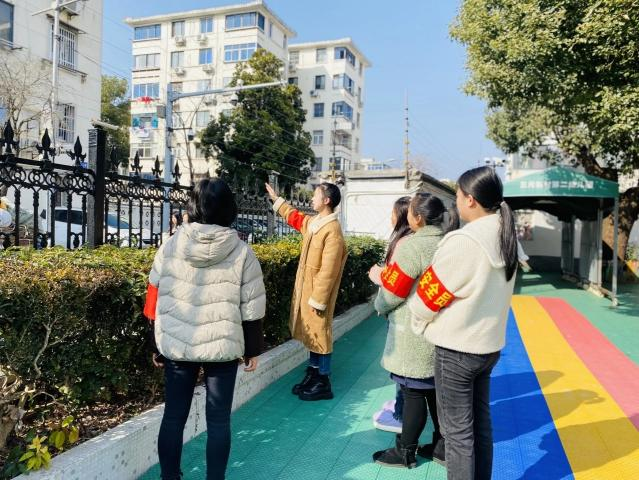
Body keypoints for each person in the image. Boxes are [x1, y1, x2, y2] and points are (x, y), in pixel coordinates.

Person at [145, 178, 266, 480]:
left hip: (177, 344)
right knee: (219, 421)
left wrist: (155, 344)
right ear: (229, 208)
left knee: (173, 417)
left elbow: (153, 297)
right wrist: (252, 349)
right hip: (222, 346)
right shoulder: (242, 252)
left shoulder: (170, 246)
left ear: (193, 206)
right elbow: (252, 306)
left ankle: (169, 477)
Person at [408, 166, 518, 480]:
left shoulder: (464, 241)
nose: (455, 202)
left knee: (456, 435)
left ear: (470, 199)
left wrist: (419, 321)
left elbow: (427, 298)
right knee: (480, 426)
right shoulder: (505, 236)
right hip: (487, 347)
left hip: (456, 350)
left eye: (457, 195)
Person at [372, 193, 457, 468]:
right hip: (442, 328)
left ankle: (405, 451)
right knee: (432, 390)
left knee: (413, 391)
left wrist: (379, 305)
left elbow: (394, 291)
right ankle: (442, 447)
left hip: (413, 331)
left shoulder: (413, 246)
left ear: (417, 218)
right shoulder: (448, 242)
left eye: (409, 210)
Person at [265, 182, 347, 401]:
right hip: (308, 291)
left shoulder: (332, 231)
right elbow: (295, 217)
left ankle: (323, 379)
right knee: (312, 335)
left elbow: (328, 271)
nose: (312, 199)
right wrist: (277, 200)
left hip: (317, 296)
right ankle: (313, 373)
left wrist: (318, 299)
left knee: (321, 335)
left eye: (315, 195)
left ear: (326, 200)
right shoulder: (315, 223)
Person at [368, 196, 412, 433]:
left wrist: (376, 273)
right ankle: (400, 405)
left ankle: (401, 415)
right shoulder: (407, 240)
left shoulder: (404, 243)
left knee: (400, 365)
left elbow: (395, 280)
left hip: (399, 313)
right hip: (402, 313)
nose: (390, 217)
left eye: (393, 213)